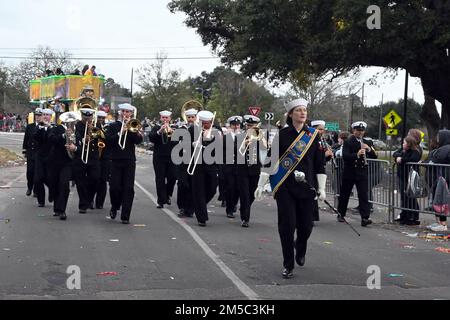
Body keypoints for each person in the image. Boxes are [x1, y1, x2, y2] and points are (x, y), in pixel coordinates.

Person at [255, 98, 326, 279]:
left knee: (306, 227)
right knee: (286, 226)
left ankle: (300, 247)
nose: (302, 113)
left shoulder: (312, 135)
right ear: (291, 114)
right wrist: (261, 184)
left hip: (307, 187)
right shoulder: (282, 135)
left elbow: (320, 165)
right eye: (298, 110)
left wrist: (322, 188)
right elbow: (270, 161)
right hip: (285, 187)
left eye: (304, 110)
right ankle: (288, 264)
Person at [105, 103, 143, 224]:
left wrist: (134, 131)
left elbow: (138, 141)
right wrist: (120, 133)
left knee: (128, 188)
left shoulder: (134, 126)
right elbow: (108, 141)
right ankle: (115, 206)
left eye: (128, 112)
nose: (125, 114)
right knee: (114, 187)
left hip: (129, 160)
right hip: (115, 160)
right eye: (124, 112)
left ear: (131, 114)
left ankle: (126, 215)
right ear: (120, 113)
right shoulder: (113, 126)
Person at [337, 121, 377, 226]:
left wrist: (369, 149)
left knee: (363, 195)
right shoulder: (348, 142)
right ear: (353, 130)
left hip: (362, 172)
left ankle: (365, 218)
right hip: (350, 172)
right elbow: (345, 156)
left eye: (362, 131)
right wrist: (357, 154)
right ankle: (341, 213)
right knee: (345, 194)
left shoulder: (367, 142)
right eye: (358, 130)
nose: (360, 133)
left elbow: (374, 156)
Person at [188, 110, 220, 226]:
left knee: (212, 189)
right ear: (200, 122)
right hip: (197, 165)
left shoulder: (216, 131)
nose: (207, 125)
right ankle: (202, 217)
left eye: (209, 123)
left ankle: (198, 205)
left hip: (211, 164)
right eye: (205, 123)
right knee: (199, 190)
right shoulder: (192, 130)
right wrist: (194, 144)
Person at [47, 113, 77, 220]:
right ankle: (56, 207)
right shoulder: (57, 128)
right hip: (55, 162)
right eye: (68, 121)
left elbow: (80, 145)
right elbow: (51, 139)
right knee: (54, 185)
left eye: (72, 121)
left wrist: (75, 148)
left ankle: (62, 210)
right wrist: (64, 135)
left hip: (68, 163)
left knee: (64, 185)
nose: (71, 123)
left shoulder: (76, 131)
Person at [237, 115, 263, 227]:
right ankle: (245, 218)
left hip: (255, 170)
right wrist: (244, 144)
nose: (249, 127)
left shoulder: (260, 137)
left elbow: (266, 149)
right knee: (244, 194)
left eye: (252, 126)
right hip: (242, 169)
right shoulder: (240, 136)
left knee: (251, 194)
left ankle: (244, 207)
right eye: (248, 125)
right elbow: (236, 151)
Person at [73, 107, 101, 213]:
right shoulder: (77, 125)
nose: (88, 120)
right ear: (82, 117)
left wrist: (93, 129)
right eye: (85, 118)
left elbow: (103, 138)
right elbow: (76, 137)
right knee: (80, 182)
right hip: (80, 156)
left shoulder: (97, 125)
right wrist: (84, 140)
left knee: (95, 179)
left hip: (93, 156)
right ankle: (83, 205)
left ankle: (89, 198)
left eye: (89, 117)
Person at [148, 110, 177, 208]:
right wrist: (159, 131)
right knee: (160, 178)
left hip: (172, 157)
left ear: (170, 118)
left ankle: (168, 194)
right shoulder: (156, 127)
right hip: (159, 157)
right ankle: (161, 200)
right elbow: (151, 138)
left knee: (172, 177)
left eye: (167, 117)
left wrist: (172, 133)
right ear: (160, 118)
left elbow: (177, 142)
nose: (165, 119)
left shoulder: (175, 128)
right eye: (163, 117)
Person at [393, 135, 422, 225]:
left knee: (410, 197)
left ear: (409, 144)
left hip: (410, 178)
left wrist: (402, 159)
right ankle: (404, 215)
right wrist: (398, 157)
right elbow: (395, 154)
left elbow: (413, 159)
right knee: (404, 198)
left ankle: (412, 217)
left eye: (404, 142)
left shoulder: (415, 151)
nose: (402, 144)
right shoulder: (403, 150)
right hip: (402, 177)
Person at [426, 130, 450, 232]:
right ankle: (439, 222)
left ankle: (443, 223)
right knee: (438, 199)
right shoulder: (440, 149)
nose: (437, 139)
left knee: (441, 200)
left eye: (439, 137)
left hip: (444, 178)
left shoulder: (446, 149)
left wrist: (431, 160)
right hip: (439, 178)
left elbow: (437, 159)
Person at [176, 108, 198, 218]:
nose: (190, 119)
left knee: (193, 185)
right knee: (182, 184)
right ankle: (182, 207)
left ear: (196, 118)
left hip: (195, 161)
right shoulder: (181, 128)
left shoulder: (199, 129)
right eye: (189, 117)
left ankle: (190, 208)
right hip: (183, 160)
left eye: (192, 117)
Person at [33, 108, 55, 207]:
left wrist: (49, 127)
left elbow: (55, 140)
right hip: (40, 156)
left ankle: (52, 192)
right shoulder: (39, 127)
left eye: (48, 115)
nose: (45, 116)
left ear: (51, 117)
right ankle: (41, 200)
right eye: (44, 114)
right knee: (38, 179)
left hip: (51, 156)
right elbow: (35, 137)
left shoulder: (54, 127)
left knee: (50, 178)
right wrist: (42, 127)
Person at [223, 116, 242, 219]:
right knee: (230, 187)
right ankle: (229, 209)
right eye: (234, 125)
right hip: (229, 166)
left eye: (237, 125)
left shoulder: (243, 137)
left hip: (239, 166)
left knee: (238, 188)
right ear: (230, 126)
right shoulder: (225, 137)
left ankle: (233, 204)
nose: (235, 127)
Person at [22, 108, 42, 196]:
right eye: (36, 115)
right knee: (30, 172)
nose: (38, 117)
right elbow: (26, 139)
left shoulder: (43, 126)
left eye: (39, 115)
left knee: (37, 173)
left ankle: (36, 190)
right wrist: (24, 150)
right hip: (30, 153)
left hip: (39, 153)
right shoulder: (30, 126)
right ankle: (29, 187)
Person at [93, 110, 109, 209]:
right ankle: (90, 200)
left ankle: (100, 203)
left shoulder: (107, 128)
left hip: (105, 157)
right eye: (99, 118)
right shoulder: (92, 127)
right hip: (94, 157)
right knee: (93, 179)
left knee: (103, 180)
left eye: (103, 118)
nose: (101, 120)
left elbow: (108, 138)